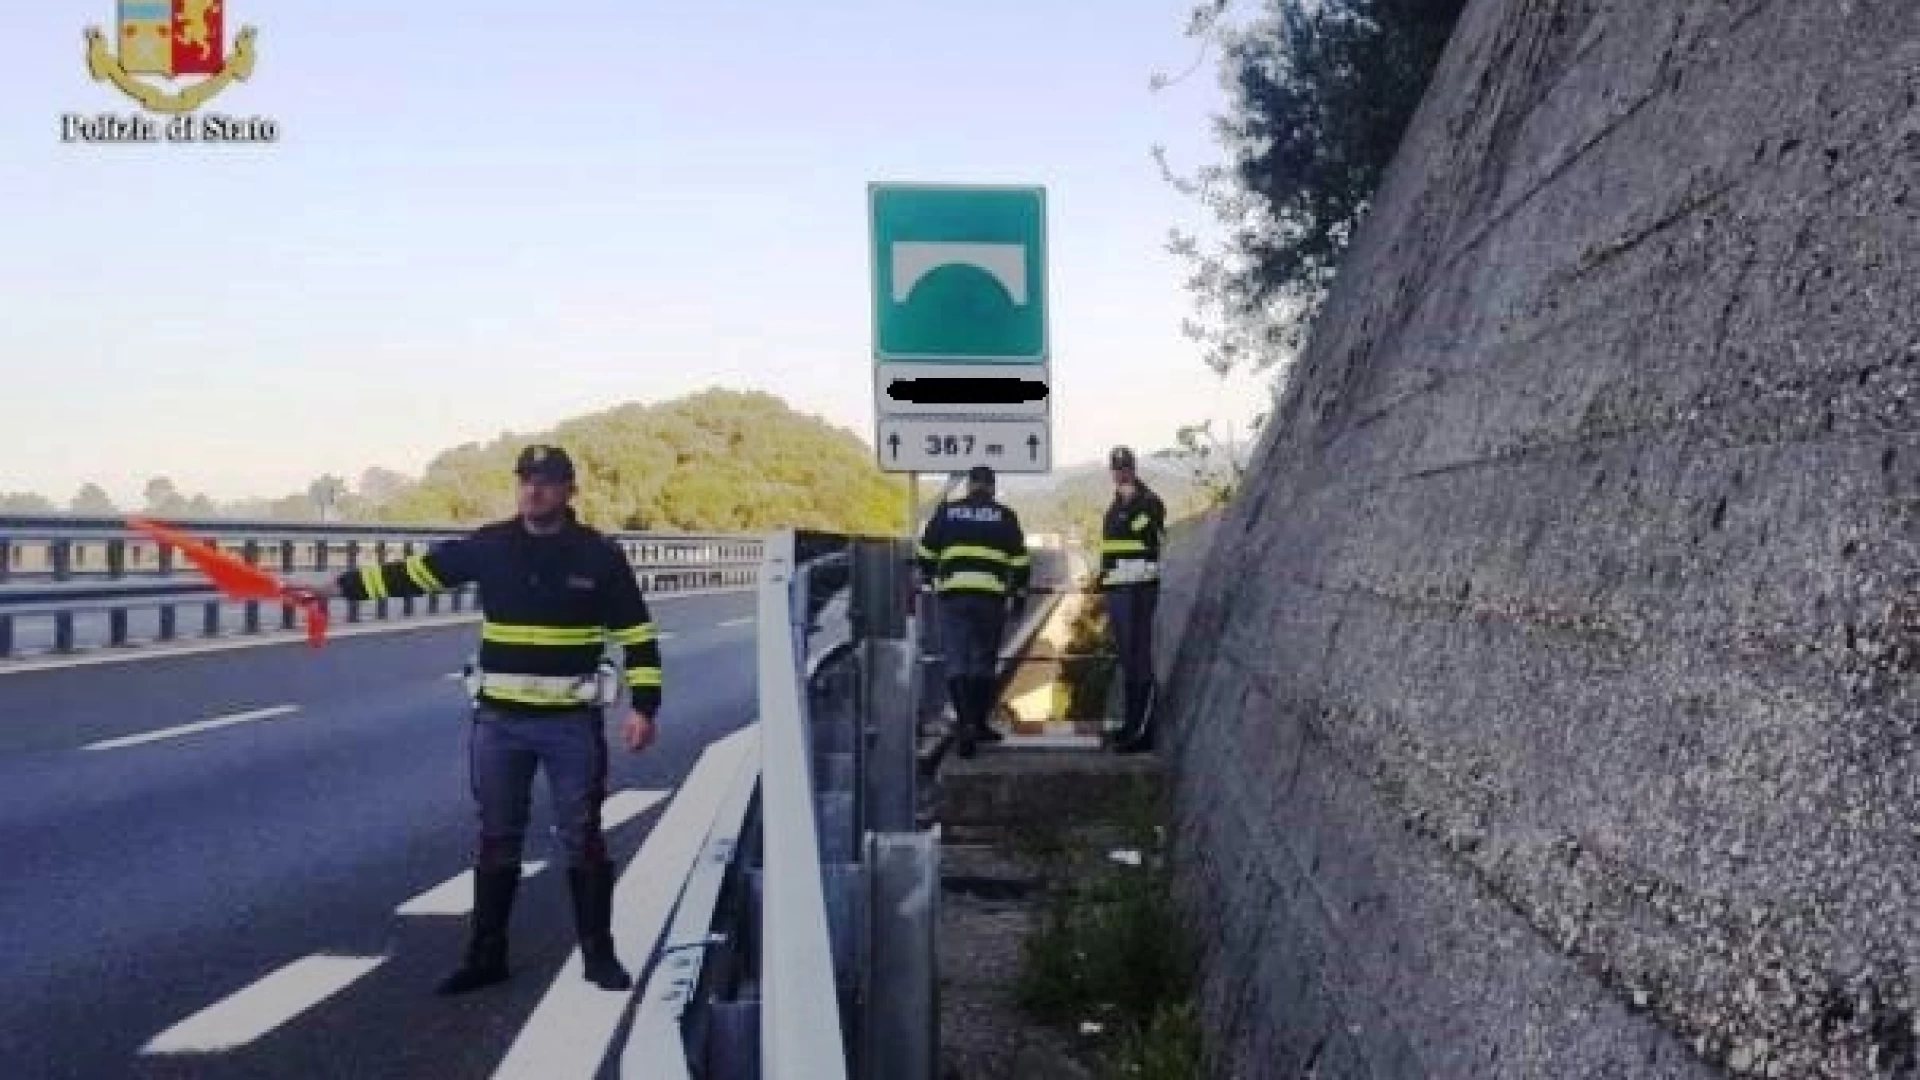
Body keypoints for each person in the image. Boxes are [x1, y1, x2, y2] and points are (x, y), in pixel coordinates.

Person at [289, 444, 661, 995]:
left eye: (547, 481)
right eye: (526, 481)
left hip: (569, 727)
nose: (534, 490)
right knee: (496, 837)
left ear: (568, 491)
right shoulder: (491, 546)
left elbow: (636, 634)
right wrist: (334, 589)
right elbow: (415, 575)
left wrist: (645, 707)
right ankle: (486, 956)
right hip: (499, 726)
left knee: (583, 836)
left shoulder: (598, 555)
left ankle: (598, 956)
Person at [915, 465, 1031, 758]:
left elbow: (926, 553)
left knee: (957, 660)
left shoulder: (947, 513)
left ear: (969, 486)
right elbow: (1019, 561)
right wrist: (1018, 593)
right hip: (989, 598)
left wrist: (929, 576)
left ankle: (964, 725)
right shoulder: (1005, 516)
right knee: (982, 661)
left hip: (954, 596)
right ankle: (978, 724)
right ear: (992, 487)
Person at [1098, 446, 1166, 754]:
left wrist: (1131, 506)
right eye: (1116, 468)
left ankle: (1143, 732)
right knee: (1128, 660)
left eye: (1125, 468)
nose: (1121, 473)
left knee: (1139, 659)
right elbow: (1110, 546)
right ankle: (1130, 724)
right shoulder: (1114, 506)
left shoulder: (1149, 501)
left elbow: (1149, 535)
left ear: (1134, 469)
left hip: (1138, 589)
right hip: (1118, 590)